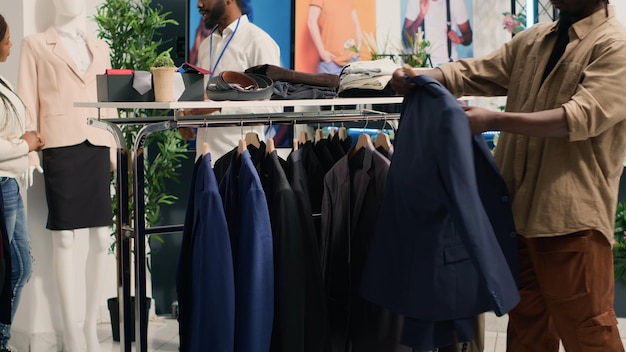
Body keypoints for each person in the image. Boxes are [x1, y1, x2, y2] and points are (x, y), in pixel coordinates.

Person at [392, 0, 625, 350]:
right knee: (527, 332)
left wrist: (494, 120)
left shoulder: (614, 46)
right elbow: (475, 71)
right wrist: (420, 77)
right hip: (517, 222)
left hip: (570, 225)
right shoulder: (533, 40)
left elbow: (578, 118)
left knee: (589, 333)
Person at [17, 0, 117, 350]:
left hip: (98, 143)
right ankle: (71, 333)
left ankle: (90, 326)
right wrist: (29, 152)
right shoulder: (35, 44)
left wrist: (115, 147)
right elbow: (27, 101)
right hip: (59, 145)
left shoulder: (99, 46)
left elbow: (108, 99)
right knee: (64, 238)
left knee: (102, 237)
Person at [179, 0, 281, 162]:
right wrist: (184, 116)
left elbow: (273, 108)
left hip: (241, 164)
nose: (198, 4)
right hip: (204, 161)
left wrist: (218, 107)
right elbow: (201, 96)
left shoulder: (259, 42)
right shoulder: (206, 45)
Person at [0, 13, 44, 352]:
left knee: (22, 267)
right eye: (7, 38)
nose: (11, 44)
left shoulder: (2, 82)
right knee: (11, 269)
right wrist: (25, 144)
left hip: (10, 183)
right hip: (2, 185)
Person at [402, 0, 472, 67]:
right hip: (422, 66)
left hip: (447, 65)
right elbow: (406, 39)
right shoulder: (416, 1)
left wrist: (460, 39)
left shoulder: (455, 2)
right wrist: (421, 15)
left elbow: (468, 37)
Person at [307, 0, 363, 75]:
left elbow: (356, 23)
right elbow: (311, 21)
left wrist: (358, 47)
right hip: (330, 64)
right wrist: (322, 53)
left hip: (353, 61)